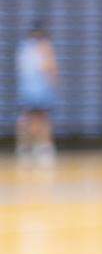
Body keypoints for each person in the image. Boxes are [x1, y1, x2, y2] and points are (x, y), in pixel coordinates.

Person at [15, 24, 59, 166]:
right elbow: (49, 67)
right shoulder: (44, 47)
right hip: (41, 88)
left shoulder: (24, 48)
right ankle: (44, 147)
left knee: (26, 117)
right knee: (43, 117)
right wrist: (54, 81)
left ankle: (23, 146)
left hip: (26, 89)